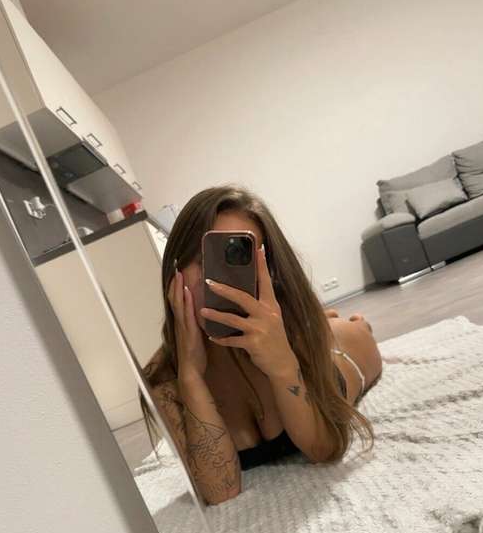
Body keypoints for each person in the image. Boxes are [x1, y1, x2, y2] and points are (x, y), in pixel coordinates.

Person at [140, 185, 382, 506]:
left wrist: (283, 366)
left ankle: (346, 325)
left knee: (355, 335)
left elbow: (324, 450)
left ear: (270, 274)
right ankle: (328, 323)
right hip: (279, 343)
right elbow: (220, 492)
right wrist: (191, 375)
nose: (217, 282)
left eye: (236, 261)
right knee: (324, 328)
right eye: (202, 260)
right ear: (174, 269)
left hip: (339, 356)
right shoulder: (163, 379)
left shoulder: (292, 330)